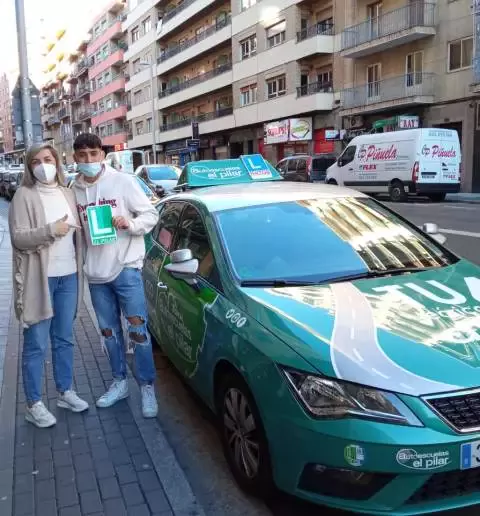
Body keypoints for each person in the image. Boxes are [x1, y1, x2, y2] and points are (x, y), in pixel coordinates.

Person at [71, 133, 159, 418]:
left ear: (102, 155)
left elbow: (151, 215)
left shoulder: (123, 182)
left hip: (125, 269)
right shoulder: (74, 189)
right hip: (96, 275)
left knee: (138, 331)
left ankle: (147, 387)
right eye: (82, 155)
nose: (88, 161)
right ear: (75, 158)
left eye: (93, 154)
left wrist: (129, 223)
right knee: (109, 334)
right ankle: (119, 382)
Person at [9, 144, 89, 428]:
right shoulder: (23, 195)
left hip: (68, 276)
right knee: (36, 344)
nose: (43, 165)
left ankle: (65, 391)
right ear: (29, 167)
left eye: (48, 159)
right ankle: (34, 404)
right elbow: (18, 238)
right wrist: (49, 231)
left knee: (64, 338)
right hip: (39, 279)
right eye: (36, 161)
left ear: (57, 160)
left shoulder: (67, 192)